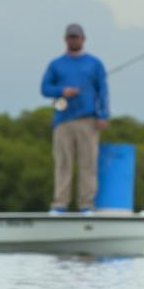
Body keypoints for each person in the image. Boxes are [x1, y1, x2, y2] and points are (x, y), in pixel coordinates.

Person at [40, 23, 110, 213]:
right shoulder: (56, 64)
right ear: (65, 39)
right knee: (63, 164)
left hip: (88, 120)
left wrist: (103, 114)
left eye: (76, 37)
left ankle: (86, 204)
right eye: (70, 37)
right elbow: (45, 88)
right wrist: (62, 91)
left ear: (83, 39)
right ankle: (60, 204)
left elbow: (103, 91)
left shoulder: (95, 64)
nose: (74, 40)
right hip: (62, 120)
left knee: (88, 164)